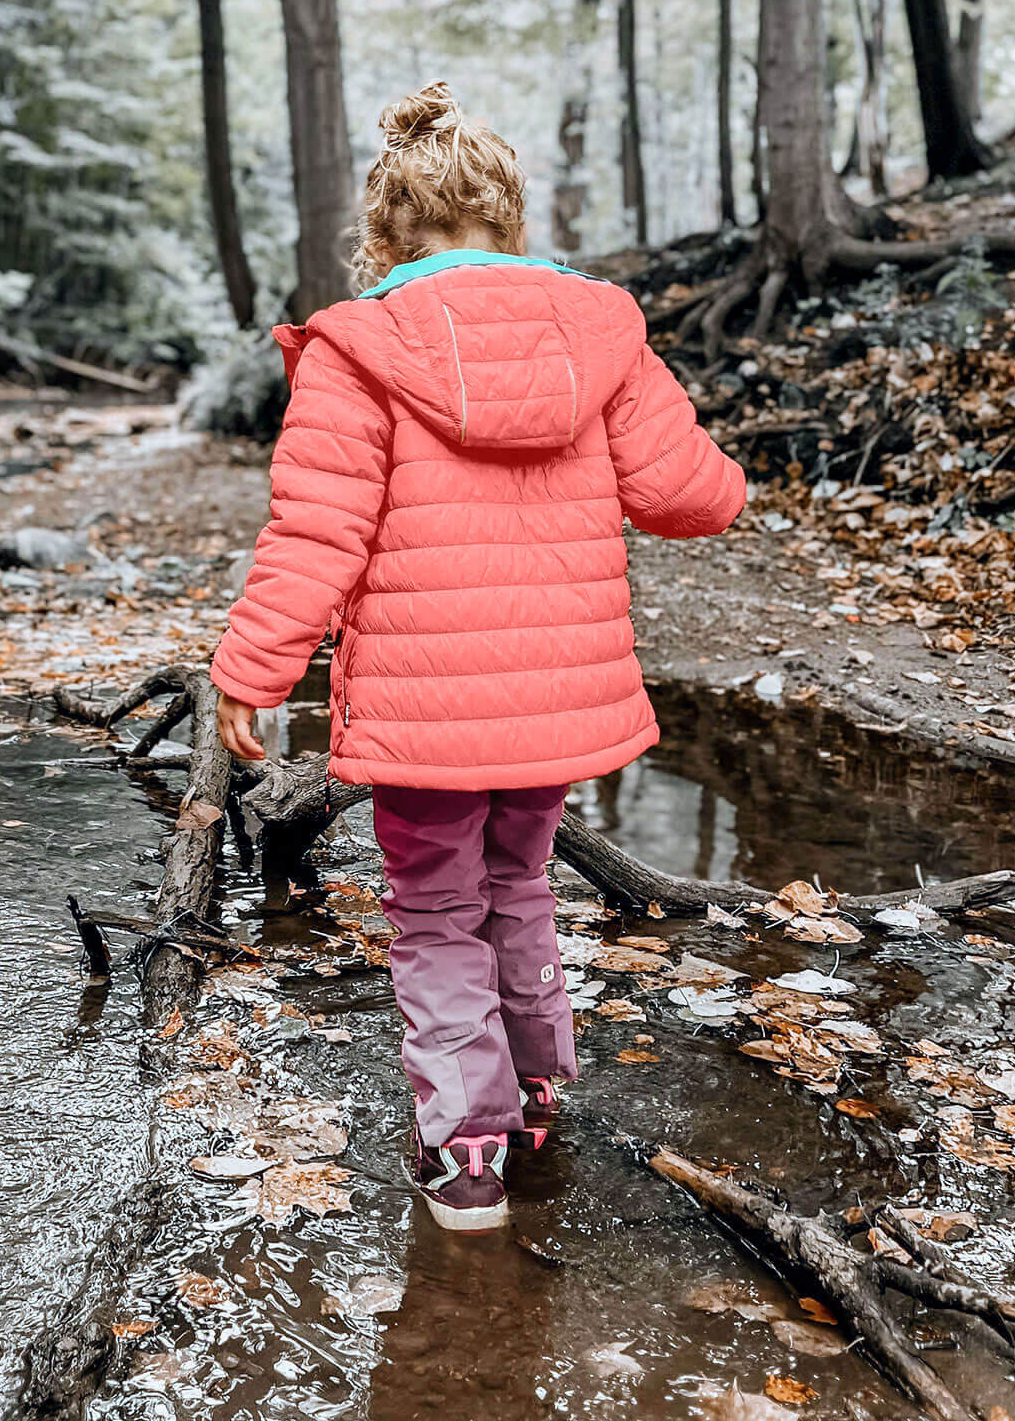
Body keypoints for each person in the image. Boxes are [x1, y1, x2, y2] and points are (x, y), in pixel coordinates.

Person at [209, 82, 746, 1231]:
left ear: (386, 238)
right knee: (520, 883)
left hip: (422, 706)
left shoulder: (359, 347)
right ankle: (540, 1088)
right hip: (555, 697)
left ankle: (465, 1152)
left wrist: (251, 666)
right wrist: (726, 474)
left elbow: (318, 532)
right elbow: (685, 496)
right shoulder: (600, 329)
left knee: (437, 911)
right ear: (509, 223)